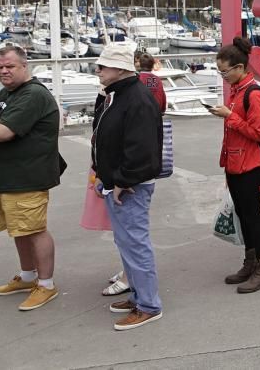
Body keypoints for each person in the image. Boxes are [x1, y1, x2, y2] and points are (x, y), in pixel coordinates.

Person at [89, 43, 164, 330]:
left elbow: (142, 150)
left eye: (103, 66)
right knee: (127, 243)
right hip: (120, 182)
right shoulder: (120, 95)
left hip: (129, 185)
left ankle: (148, 304)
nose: (98, 70)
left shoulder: (134, 99)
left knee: (134, 244)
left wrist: (121, 180)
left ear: (119, 69)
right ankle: (139, 296)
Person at [0, 44, 62, 312]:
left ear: (24, 66)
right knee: (19, 230)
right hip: (9, 177)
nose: (4, 71)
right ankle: (27, 277)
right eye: (0, 67)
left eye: (9, 66)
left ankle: (46, 285)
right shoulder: (8, 93)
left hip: (28, 176)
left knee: (34, 230)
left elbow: (4, 132)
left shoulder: (33, 94)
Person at [208, 37, 260, 293]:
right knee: (244, 215)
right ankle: (251, 261)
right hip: (235, 163)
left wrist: (230, 116)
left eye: (224, 70)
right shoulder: (237, 91)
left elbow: (259, 132)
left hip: (249, 165)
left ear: (239, 67)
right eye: (219, 71)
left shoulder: (253, 93)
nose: (222, 75)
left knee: (253, 216)